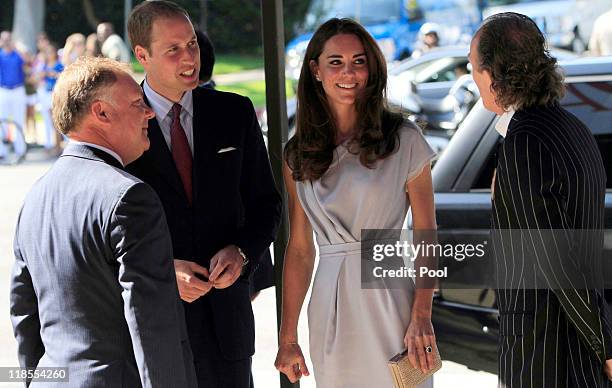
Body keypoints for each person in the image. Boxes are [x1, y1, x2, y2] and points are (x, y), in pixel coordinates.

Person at [10, 56, 197, 387]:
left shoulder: (35, 197)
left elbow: (25, 316)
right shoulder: (130, 196)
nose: (150, 113)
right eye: (138, 103)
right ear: (101, 112)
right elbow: (151, 321)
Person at [274, 18, 438, 387]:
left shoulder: (404, 138)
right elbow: (300, 250)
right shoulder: (297, 154)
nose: (349, 72)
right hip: (330, 305)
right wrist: (288, 339)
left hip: (392, 297)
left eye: (359, 61)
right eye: (335, 62)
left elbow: (427, 233)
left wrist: (423, 315)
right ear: (315, 69)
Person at [126, 2, 282, 387]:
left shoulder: (235, 112)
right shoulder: (121, 123)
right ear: (141, 56)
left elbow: (267, 205)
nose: (189, 57)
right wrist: (163, 272)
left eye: (192, 44)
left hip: (227, 327)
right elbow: (108, 233)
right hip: (153, 329)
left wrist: (243, 252)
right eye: (173, 49)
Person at [468, 12, 612, 387]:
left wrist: (606, 346)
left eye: (473, 68)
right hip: (569, 350)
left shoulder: (526, 140)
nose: (472, 78)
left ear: (494, 73)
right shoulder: (572, 128)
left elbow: (558, 261)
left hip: (547, 354)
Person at [0, 31, 28, 162]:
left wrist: (17, 47)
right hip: (4, 90)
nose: (6, 41)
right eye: (4, 39)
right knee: (2, 121)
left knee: (19, 120)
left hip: (18, 90)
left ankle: (20, 150)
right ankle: (2, 151)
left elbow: (28, 61)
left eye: (8, 39)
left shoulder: (18, 54)